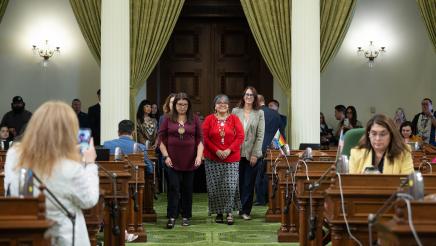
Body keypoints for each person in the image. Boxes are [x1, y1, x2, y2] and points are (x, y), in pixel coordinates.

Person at [4, 101, 99, 245]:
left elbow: (18, 193)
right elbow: (88, 200)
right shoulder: (70, 165)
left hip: (28, 234)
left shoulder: (14, 154)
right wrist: (90, 163)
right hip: (65, 236)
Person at [158, 92, 204, 228]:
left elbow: (200, 139)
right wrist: (166, 156)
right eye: (179, 104)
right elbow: (161, 139)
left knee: (187, 189)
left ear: (188, 105)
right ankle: (172, 216)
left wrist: (198, 156)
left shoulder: (194, 119)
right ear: (175, 105)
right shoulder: (167, 119)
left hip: (190, 160)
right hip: (172, 160)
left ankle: (186, 216)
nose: (182, 107)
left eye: (185, 104)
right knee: (173, 188)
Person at [202, 94, 244, 225]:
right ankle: (219, 212)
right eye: (219, 102)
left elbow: (240, 136)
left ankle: (229, 212)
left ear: (228, 105)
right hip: (212, 159)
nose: (222, 104)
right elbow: (205, 137)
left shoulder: (234, 119)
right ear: (215, 105)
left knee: (230, 187)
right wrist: (217, 150)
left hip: (231, 158)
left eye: (225, 102)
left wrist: (228, 150)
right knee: (216, 187)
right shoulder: (209, 119)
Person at [232, 86, 265, 220]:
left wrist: (255, 154)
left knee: (248, 183)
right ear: (243, 96)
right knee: (237, 183)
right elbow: (230, 131)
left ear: (255, 97)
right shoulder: (235, 111)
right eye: (247, 94)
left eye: (251, 95)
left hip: (251, 154)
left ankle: (245, 210)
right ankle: (237, 208)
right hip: (236, 153)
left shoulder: (259, 113)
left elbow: (260, 135)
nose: (249, 97)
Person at [349, 114, 414, 174]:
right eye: (374, 134)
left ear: (391, 135)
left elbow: (409, 182)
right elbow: (350, 183)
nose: (377, 139)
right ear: (368, 134)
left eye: (383, 134)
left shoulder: (403, 152)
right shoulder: (356, 153)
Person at [255, 94, 281, 206]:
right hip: (272, 148)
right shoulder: (275, 114)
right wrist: (277, 148)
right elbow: (280, 133)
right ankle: (268, 197)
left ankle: (260, 199)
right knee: (268, 174)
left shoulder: (255, 113)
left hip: (257, 147)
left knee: (257, 174)